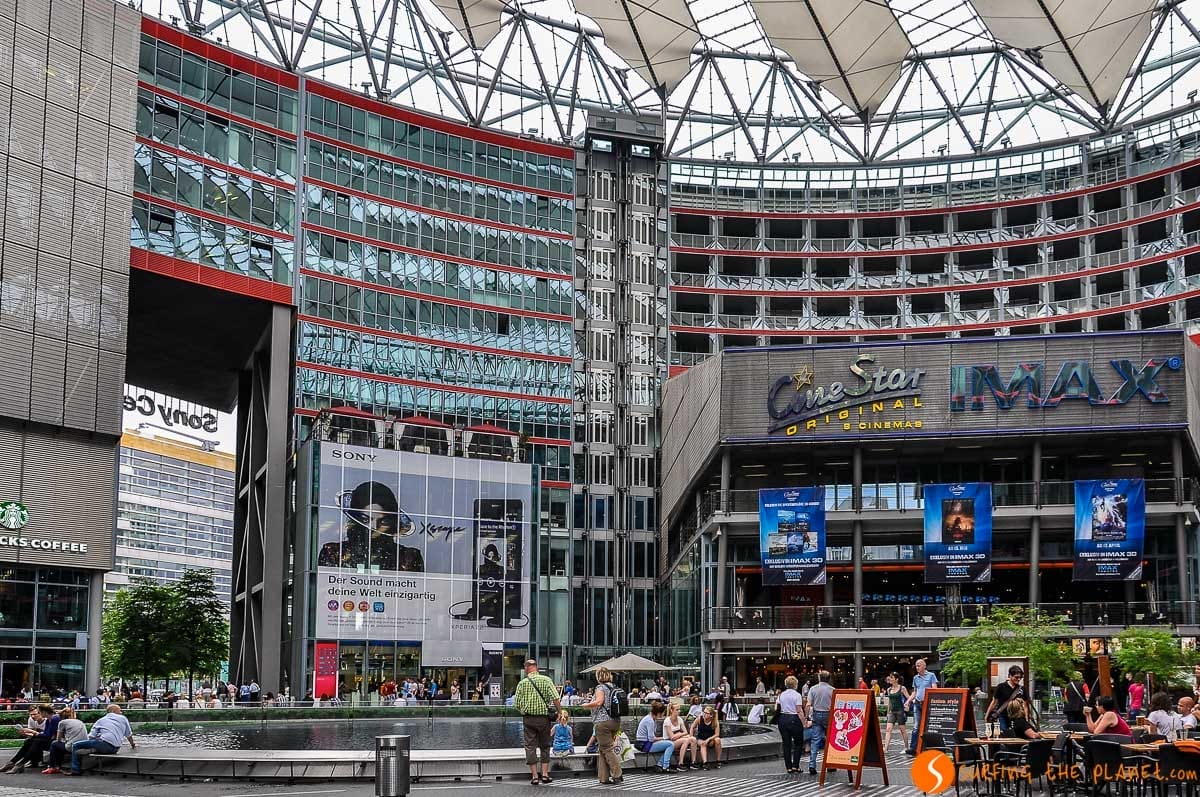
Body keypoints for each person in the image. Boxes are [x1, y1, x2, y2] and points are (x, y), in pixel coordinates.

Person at [317, 481, 423, 571]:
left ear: (392, 523)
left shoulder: (408, 557)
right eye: (365, 519)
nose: (373, 527)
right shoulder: (334, 553)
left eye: (383, 521)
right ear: (355, 520)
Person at [513, 658, 560, 786]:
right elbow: (556, 697)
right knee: (545, 746)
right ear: (536, 667)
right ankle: (545, 775)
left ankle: (534, 777)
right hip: (544, 719)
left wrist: (524, 709)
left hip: (528, 719)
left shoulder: (522, 683)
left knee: (530, 746)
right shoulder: (546, 680)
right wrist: (560, 711)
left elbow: (516, 704)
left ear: (527, 667)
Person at [69, 704, 136, 776]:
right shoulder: (123, 718)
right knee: (98, 743)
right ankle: (93, 749)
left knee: (76, 745)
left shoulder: (100, 720)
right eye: (119, 710)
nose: (121, 712)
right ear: (113, 711)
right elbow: (128, 734)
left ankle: (75, 770)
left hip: (104, 744)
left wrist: (92, 741)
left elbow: (91, 736)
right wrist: (132, 744)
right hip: (115, 748)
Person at [582, 667, 622, 785]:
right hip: (615, 721)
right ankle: (603, 778)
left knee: (607, 749)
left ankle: (617, 774)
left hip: (603, 722)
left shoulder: (600, 687)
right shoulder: (613, 687)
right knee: (602, 749)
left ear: (599, 676)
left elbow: (599, 702)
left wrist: (586, 705)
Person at [1, 704, 58, 773]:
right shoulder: (49, 720)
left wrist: (33, 732)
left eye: (39, 712)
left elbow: (48, 735)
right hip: (48, 739)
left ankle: (20, 763)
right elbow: (45, 735)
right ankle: (12, 762)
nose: (39, 714)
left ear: (44, 712)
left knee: (37, 741)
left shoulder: (54, 719)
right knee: (30, 741)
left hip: (56, 741)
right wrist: (31, 733)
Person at [905, 659, 938, 754]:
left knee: (929, 725)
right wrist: (908, 701)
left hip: (927, 703)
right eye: (916, 666)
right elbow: (915, 691)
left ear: (924, 666)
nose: (917, 667)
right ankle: (913, 748)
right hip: (917, 703)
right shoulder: (916, 678)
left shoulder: (931, 675)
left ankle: (928, 747)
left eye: (919, 665)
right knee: (916, 726)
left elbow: (934, 689)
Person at [43, 706, 88, 774]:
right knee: (59, 746)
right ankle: (57, 766)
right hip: (84, 745)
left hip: (72, 747)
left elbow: (58, 739)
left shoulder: (62, 722)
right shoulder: (80, 721)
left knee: (54, 744)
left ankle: (51, 766)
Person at [806, 670, 835, 775]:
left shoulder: (813, 689)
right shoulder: (833, 690)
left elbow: (808, 704)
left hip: (817, 714)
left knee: (815, 740)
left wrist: (806, 717)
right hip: (829, 715)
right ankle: (830, 765)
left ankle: (812, 766)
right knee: (830, 740)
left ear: (819, 678)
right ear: (829, 679)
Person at [637, 700, 677, 773]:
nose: (663, 714)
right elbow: (651, 739)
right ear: (659, 713)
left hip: (645, 743)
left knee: (668, 744)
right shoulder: (650, 721)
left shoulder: (649, 718)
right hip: (645, 745)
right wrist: (663, 738)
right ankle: (665, 766)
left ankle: (659, 764)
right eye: (662, 713)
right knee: (671, 744)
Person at [775, 675, 804, 773]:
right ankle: (796, 765)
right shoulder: (797, 695)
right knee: (798, 743)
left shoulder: (781, 694)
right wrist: (804, 722)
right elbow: (799, 710)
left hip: (783, 718)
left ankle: (788, 767)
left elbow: (777, 708)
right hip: (794, 718)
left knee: (786, 744)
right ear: (795, 684)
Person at [985, 666, 1026, 735]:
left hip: (1017, 717)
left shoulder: (1022, 689)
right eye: (1016, 677)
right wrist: (987, 715)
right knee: (1003, 733)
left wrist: (1026, 719)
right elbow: (994, 702)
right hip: (1003, 715)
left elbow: (1025, 705)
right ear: (1010, 676)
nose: (1018, 679)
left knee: (1016, 734)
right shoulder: (1001, 687)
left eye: (1020, 678)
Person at [664, 701, 698, 770]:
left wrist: (679, 734)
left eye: (679, 709)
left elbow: (685, 731)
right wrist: (681, 734)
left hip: (678, 739)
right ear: (671, 710)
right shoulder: (667, 721)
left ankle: (693, 762)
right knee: (686, 740)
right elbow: (672, 737)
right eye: (677, 710)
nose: (679, 711)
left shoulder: (679, 719)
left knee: (693, 739)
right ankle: (680, 763)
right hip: (669, 742)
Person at [883, 673, 910, 753]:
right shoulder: (889, 689)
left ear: (896, 679)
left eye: (892, 677)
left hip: (900, 711)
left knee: (902, 730)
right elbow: (890, 702)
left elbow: (909, 698)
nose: (890, 679)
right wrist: (888, 712)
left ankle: (906, 747)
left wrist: (907, 705)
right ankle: (885, 748)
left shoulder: (902, 688)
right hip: (892, 712)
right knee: (888, 729)